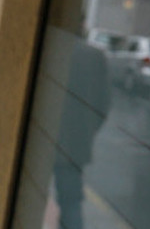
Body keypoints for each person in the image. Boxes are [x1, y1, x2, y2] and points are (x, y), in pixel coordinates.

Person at [53, 41, 110, 229]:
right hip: (73, 145)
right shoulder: (93, 56)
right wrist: (86, 131)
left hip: (40, 142)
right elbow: (103, 105)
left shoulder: (50, 49)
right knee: (70, 203)